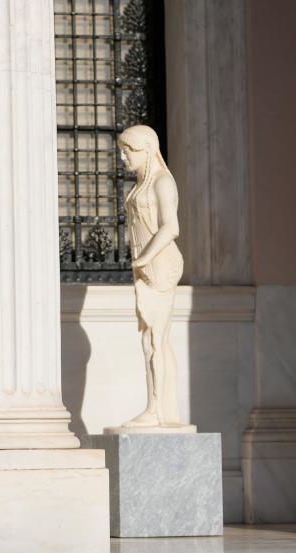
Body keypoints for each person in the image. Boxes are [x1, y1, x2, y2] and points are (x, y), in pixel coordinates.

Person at [117, 124, 184, 428]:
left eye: (128, 151)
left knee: (155, 339)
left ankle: (158, 411)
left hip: (160, 267)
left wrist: (144, 257)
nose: (123, 157)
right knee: (153, 339)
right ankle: (160, 409)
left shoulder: (162, 182)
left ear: (146, 150)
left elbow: (171, 227)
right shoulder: (141, 183)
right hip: (146, 268)